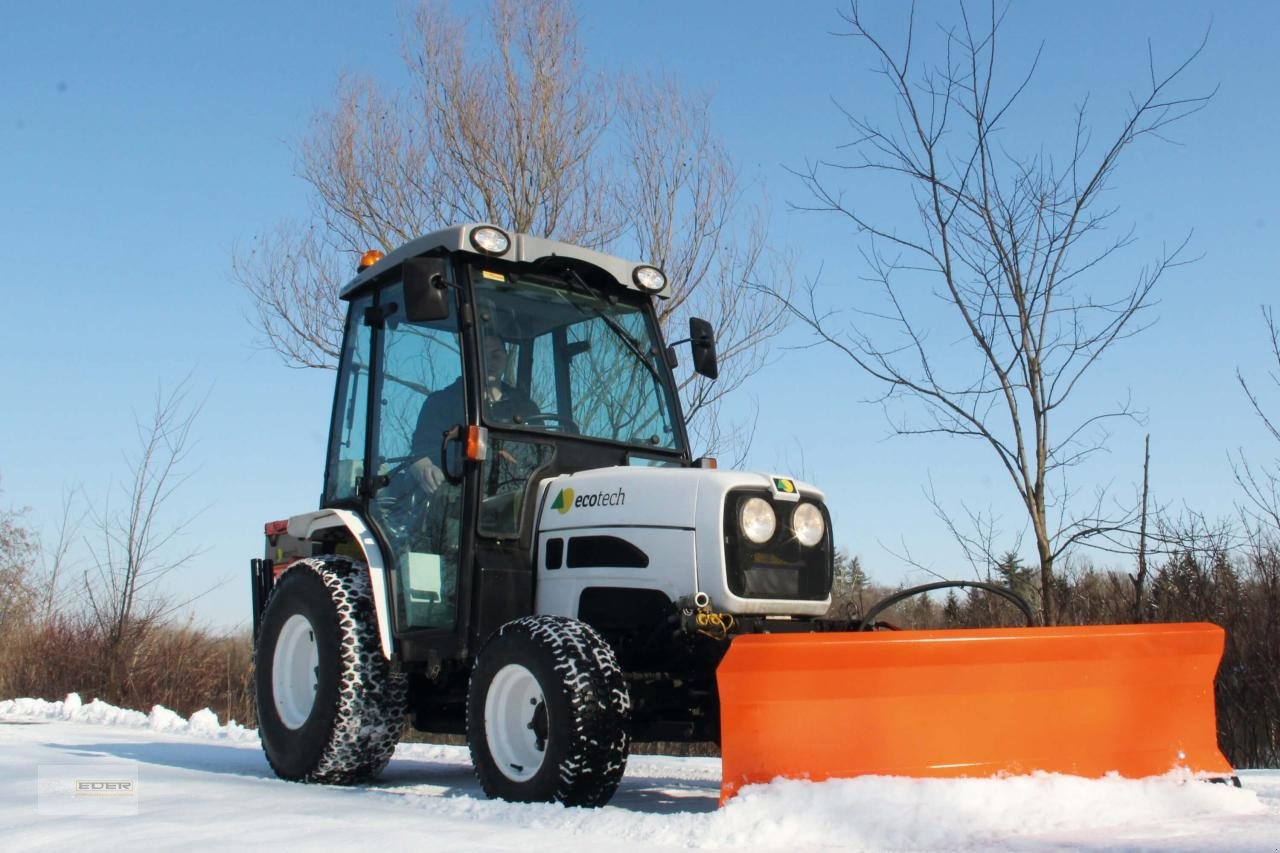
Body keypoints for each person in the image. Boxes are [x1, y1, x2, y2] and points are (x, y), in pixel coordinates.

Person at [407, 333, 537, 495]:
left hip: (519, 494)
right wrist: (425, 469)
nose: (490, 362)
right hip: (459, 498)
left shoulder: (526, 408)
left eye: (496, 355)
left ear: (506, 357)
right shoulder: (441, 403)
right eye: (482, 355)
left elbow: (541, 455)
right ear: (469, 358)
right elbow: (419, 454)